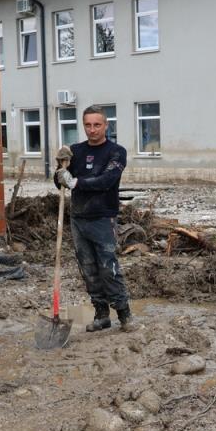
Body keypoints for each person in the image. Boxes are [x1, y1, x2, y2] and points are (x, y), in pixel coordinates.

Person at [54, 105, 132, 332]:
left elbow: (107, 180)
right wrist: (61, 168)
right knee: (88, 269)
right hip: (78, 218)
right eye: (88, 125)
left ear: (106, 125)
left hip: (103, 218)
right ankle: (101, 315)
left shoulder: (116, 152)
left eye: (97, 125)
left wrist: (75, 182)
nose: (92, 129)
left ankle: (125, 315)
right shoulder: (76, 151)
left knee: (108, 267)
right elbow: (60, 182)